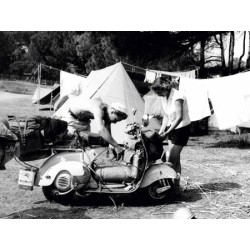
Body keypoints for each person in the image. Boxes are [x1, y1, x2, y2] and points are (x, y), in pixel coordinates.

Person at [54, 97, 128, 159]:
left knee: (87, 148)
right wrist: (117, 146)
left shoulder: (107, 114)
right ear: (112, 112)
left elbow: (106, 134)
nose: (115, 122)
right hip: (72, 119)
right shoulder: (99, 109)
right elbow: (101, 131)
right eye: (115, 120)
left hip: (84, 122)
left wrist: (112, 147)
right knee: (68, 147)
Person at [151, 77, 191, 189]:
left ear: (165, 87)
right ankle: (176, 186)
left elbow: (179, 118)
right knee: (176, 159)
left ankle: (171, 186)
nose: (158, 95)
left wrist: (167, 131)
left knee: (171, 160)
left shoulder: (178, 96)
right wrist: (161, 130)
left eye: (159, 92)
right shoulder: (164, 96)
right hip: (172, 128)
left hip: (181, 129)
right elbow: (166, 116)